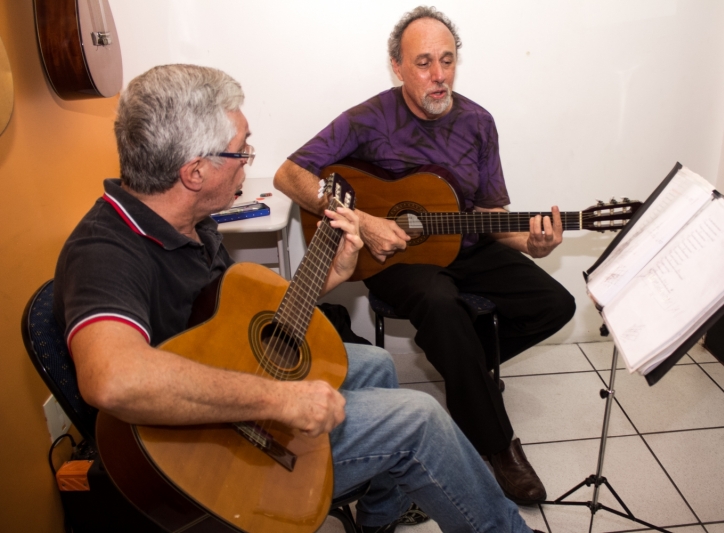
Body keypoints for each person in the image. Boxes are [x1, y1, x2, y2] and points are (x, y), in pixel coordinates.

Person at [53, 64, 538, 533]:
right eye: (241, 151)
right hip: (210, 448)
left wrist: (329, 277)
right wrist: (280, 399)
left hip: (230, 381)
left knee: (376, 365)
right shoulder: (105, 249)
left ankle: (379, 514)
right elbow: (113, 379)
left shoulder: (192, 224)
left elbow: (232, 320)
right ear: (195, 171)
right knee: (422, 419)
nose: (249, 160)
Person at [274, 6, 576, 505]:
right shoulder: (368, 119)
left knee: (555, 304)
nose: (439, 76)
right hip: (395, 258)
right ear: (397, 67)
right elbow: (290, 174)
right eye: (423, 63)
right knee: (439, 303)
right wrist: (366, 222)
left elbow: (488, 211)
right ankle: (498, 446)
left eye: (447, 60)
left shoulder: (478, 122)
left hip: (467, 244)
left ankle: (467, 376)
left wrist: (530, 242)